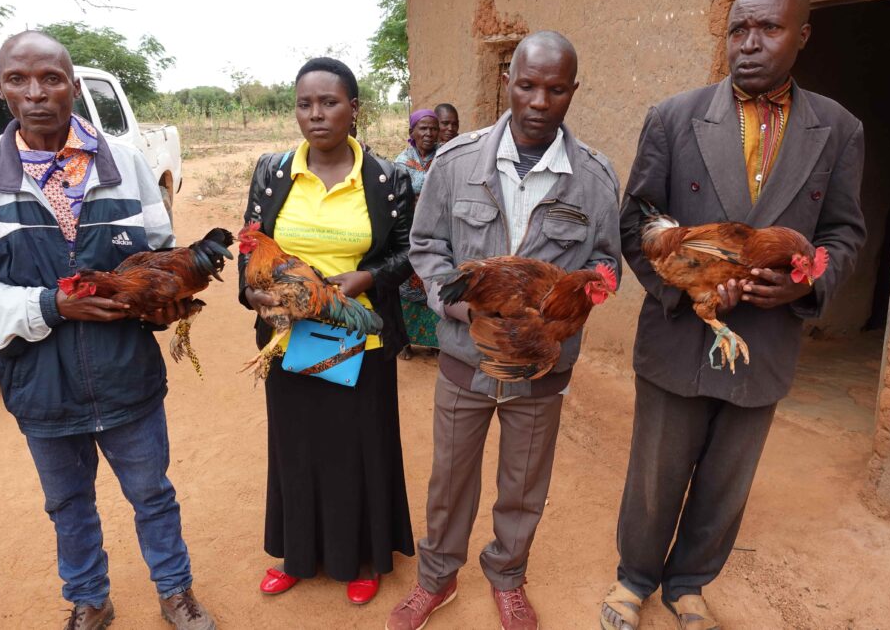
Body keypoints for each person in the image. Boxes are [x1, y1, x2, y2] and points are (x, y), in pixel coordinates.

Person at [600, 0, 866, 630]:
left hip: (766, 340)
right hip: (678, 332)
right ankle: (634, 579)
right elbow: (636, 220)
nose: (749, 44)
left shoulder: (837, 128)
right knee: (656, 470)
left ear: (801, 35)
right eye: (739, 29)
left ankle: (689, 583)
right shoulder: (674, 115)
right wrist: (682, 287)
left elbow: (843, 232)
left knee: (727, 476)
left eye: (768, 29)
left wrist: (809, 283)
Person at [0, 31, 216, 630]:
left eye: (51, 79)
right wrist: (52, 306)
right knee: (66, 503)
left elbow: (161, 259)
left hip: (127, 376)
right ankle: (89, 597)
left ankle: (175, 590)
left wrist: (161, 306)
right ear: (1, 87)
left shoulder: (126, 165)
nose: (36, 94)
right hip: (40, 383)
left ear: (74, 87)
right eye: (18, 80)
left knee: (152, 494)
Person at [388, 31, 621, 630]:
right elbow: (426, 247)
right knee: (450, 480)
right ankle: (436, 580)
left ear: (573, 92)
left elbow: (606, 261)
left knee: (523, 486)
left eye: (556, 89)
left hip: (542, 369)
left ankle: (508, 578)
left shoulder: (594, 178)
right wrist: (464, 309)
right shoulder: (457, 161)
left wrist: (573, 300)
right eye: (527, 84)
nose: (539, 101)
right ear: (507, 82)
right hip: (465, 359)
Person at [238, 57, 416, 605]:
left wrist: (370, 275)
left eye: (329, 102)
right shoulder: (273, 173)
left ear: (353, 108)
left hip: (358, 340)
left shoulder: (388, 180)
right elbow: (249, 244)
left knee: (359, 447)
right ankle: (297, 553)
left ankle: (364, 556)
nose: (316, 114)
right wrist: (255, 295)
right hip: (289, 337)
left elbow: (410, 249)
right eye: (304, 104)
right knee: (296, 447)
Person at [395, 109, 441, 359]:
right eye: (423, 128)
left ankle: (435, 342)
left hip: (438, 235)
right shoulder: (401, 161)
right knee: (405, 287)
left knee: (434, 283)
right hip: (409, 235)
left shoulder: (445, 156)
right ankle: (406, 342)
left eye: (433, 128)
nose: (428, 133)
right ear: (412, 131)